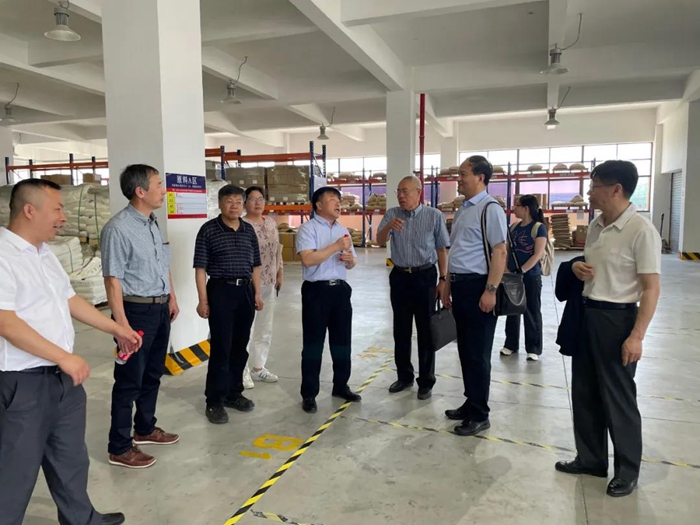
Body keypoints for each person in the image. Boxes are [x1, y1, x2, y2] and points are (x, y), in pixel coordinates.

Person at [0, 178, 142, 525]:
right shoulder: (3, 255)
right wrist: (63, 356)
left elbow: (70, 299)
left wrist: (116, 328)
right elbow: (5, 321)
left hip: (62, 381)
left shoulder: (44, 253)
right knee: (15, 471)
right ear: (29, 210)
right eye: (57, 209)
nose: (63, 217)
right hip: (22, 383)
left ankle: (82, 519)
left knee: (70, 459)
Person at [555, 160, 661, 498]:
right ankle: (591, 459)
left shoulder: (641, 230)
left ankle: (627, 471)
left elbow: (651, 288)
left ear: (616, 189)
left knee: (618, 397)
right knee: (584, 392)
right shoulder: (597, 226)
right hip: (587, 314)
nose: (589, 192)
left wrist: (637, 335)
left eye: (595, 185)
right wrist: (576, 268)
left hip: (618, 321)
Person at [101, 164, 181, 469]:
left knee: (152, 374)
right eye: (158, 185)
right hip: (135, 312)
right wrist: (121, 325)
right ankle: (120, 447)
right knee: (128, 381)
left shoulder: (151, 222)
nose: (163, 191)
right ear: (140, 191)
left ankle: (145, 428)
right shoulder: (118, 228)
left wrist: (171, 297)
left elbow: (162, 264)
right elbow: (113, 280)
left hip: (159, 309)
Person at [441, 155, 507, 437]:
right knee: (466, 350)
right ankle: (471, 402)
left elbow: (500, 251)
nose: (459, 178)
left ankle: (480, 414)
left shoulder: (490, 209)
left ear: (480, 177)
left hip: (479, 286)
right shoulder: (464, 209)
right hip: (460, 285)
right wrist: (447, 283)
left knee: (478, 353)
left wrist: (490, 290)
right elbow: (456, 249)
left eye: (463, 174)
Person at [194, 185, 263, 425]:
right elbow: (200, 269)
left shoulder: (248, 230)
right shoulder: (208, 230)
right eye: (229, 201)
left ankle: (234, 393)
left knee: (240, 347)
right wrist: (203, 300)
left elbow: (255, 265)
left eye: (238, 201)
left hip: (245, 291)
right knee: (221, 347)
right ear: (220, 203)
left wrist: (257, 293)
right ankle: (214, 400)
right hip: (220, 290)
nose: (234, 206)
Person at [377, 175, 449, 400]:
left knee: (426, 330)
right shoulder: (392, 214)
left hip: (424, 276)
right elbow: (379, 240)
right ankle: (404, 376)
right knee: (401, 330)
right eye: (398, 191)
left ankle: (426, 381)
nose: (400, 195)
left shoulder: (434, 216)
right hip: (399, 277)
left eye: (405, 191)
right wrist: (388, 227)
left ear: (418, 192)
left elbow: (442, 249)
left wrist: (443, 279)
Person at [295, 186, 361, 414]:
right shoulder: (308, 229)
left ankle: (341, 386)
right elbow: (308, 260)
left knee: (342, 341)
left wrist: (349, 259)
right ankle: (309, 394)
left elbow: (352, 263)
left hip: (340, 291)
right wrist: (335, 247)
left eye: (339, 199)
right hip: (317, 292)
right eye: (332, 199)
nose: (338, 203)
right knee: (313, 344)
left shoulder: (343, 230)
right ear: (319, 205)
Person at [241, 186, 283, 389]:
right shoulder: (241, 225)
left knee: (264, 328)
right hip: (249, 284)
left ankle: (258, 367)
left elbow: (277, 250)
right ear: (245, 203)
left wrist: (280, 271)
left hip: (269, 281)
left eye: (260, 199)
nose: (257, 203)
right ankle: (242, 371)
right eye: (252, 199)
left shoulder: (271, 223)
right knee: (245, 328)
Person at [501, 194, 548, 361]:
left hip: (530, 276)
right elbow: (506, 250)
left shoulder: (538, 228)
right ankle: (511, 344)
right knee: (512, 309)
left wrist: (522, 271)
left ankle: (533, 348)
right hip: (512, 276)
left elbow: (537, 254)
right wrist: (507, 270)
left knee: (532, 310)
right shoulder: (514, 227)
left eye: (517, 205)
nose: (514, 208)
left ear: (526, 208)